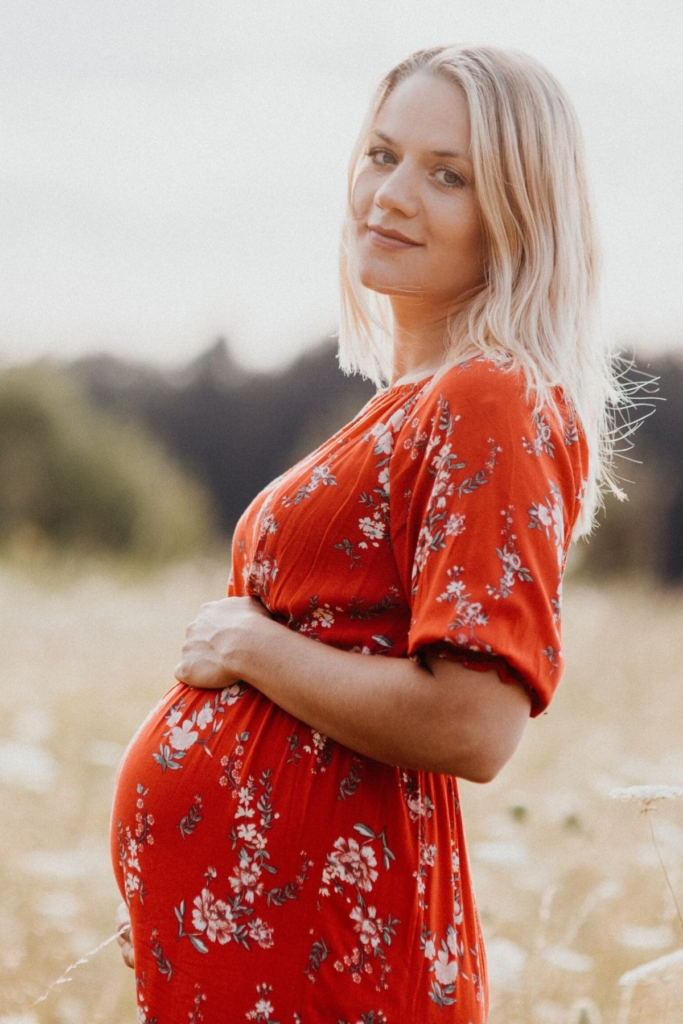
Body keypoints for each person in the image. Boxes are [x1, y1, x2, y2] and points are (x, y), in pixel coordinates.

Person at [111, 44, 621, 1023]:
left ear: (516, 214)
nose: (390, 193)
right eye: (381, 154)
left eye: (446, 175)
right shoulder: (416, 401)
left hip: (332, 967)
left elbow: (473, 725)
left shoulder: (491, 399)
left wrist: (254, 645)